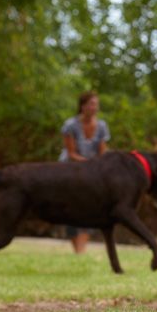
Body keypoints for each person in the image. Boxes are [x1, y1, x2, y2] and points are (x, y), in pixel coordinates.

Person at [58, 91, 111, 253]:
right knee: (72, 209)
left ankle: (81, 251)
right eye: (91, 104)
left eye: (96, 104)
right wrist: (91, 164)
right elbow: (71, 153)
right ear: (83, 106)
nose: (95, 108)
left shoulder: (102, 126)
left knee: (90, 209)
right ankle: (78, 251)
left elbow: (103, 152)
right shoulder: (70, 125)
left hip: (91, 173)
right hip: (70, 171)